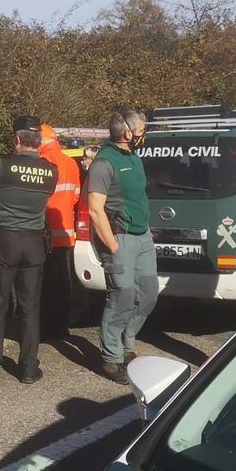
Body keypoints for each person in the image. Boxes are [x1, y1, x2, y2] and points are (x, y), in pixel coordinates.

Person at [0, 116, 56, 384]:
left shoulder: (2, 166)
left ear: (16, 139)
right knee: (30, 308)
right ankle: (28, 369)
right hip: (35, 242)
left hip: (5, 241)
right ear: (38, 140)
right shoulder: (51, 171)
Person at [86, 110, 158, 385]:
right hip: (120, 239)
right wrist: (113, 246)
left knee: (148, 294)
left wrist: (147, 230)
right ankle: (112, 358)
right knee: (122, 297)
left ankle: (127, 344)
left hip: (142, 238)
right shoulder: (105, 162)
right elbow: (95, 210)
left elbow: (138, 198)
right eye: (141, 129)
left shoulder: (133, 157)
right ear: (127, 133)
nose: (143, 134)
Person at [38, 124, 81, 341]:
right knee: (64, 281)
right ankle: (62, 326)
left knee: (45, 283)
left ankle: (46, 327)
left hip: (44, 231)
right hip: (65, 230)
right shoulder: (70, 163)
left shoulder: (43, 162)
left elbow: (39, 199)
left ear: (41, 140)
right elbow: (75, 196)